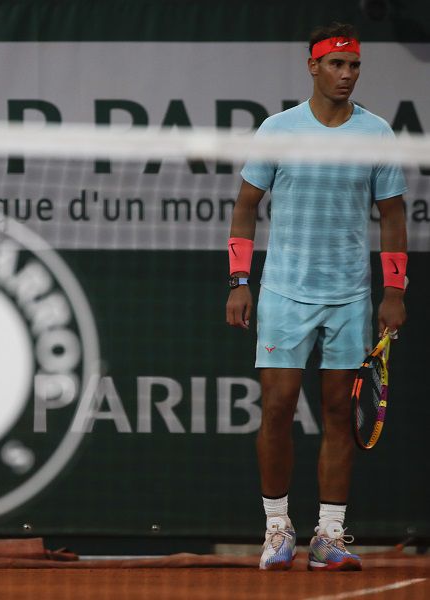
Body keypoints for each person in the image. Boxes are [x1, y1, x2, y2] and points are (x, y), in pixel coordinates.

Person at [225, 23, 408, 571]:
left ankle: (329, 537)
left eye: (354, 66)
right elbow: (244, 206)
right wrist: (239, 282)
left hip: (350, 297)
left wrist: (394, 289)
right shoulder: (278, 129)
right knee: (277, 409)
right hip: (282, 293)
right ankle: (277, 529)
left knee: (336, 414)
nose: (346, 75)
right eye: (336, 65)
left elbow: (393, 216)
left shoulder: (376, 133)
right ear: (314, 67)